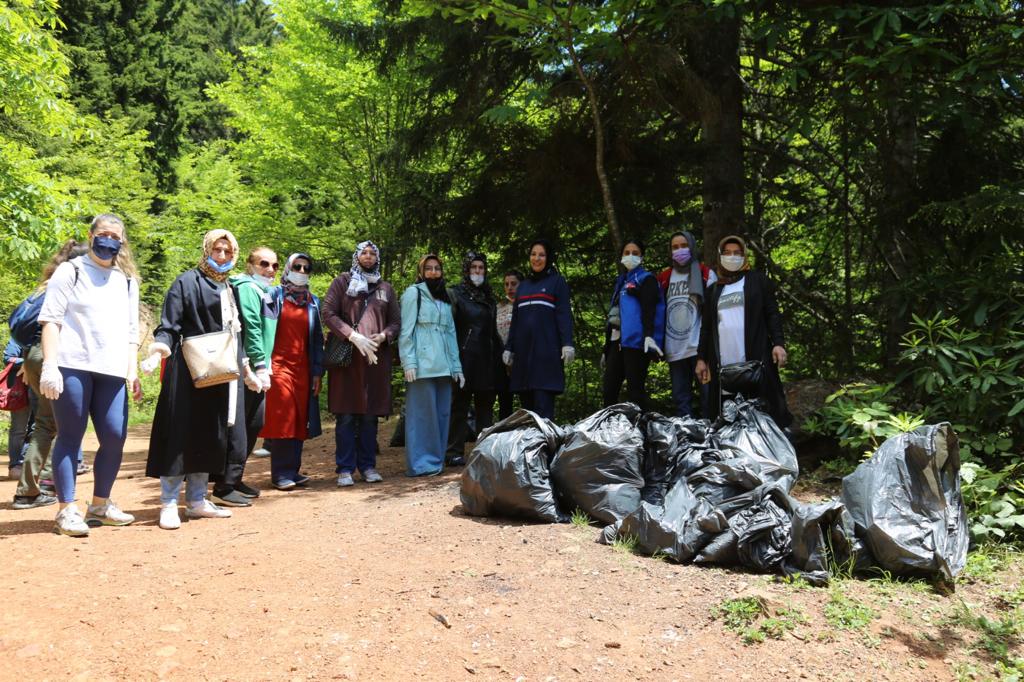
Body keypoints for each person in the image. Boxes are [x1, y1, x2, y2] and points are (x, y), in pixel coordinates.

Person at [37, 214, 142, 536]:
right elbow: (51, 319)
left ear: (122, 242)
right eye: (104, 233)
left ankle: (100, 504)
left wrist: (132, 370)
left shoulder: (125, 280)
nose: (109, 239)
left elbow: (130, 330)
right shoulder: (72, 270)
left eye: (115, 235)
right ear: (92, 235)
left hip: (111, 369)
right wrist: (50, 365)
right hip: (72, 365)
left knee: (113, 436)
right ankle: (66, 509)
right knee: (71, 434)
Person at [142, 229, 251, 530]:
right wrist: (158, 351)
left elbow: (236, 332)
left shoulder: (231, 287)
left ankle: (198, 500)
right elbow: (169, 325)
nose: (222, 256)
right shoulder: (185, 282)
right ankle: (168, 502)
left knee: (210, 434)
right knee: (180, 433)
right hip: (187, 370)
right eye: (217, 250)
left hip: (221, 372)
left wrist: (247, 368)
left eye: (228, 252)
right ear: (206, 250)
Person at [10, 240, 89, 509]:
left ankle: (36, 485)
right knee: (50, 424)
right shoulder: (73, 284)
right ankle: (31, 489)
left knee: (44, 421)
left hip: (32, 355)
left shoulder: (46, 284)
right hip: (49, 355)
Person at [323, 240, 400, 487]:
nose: (368, 256)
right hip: (348, 358)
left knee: (369, 416)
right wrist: (351, 335)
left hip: (375, 360)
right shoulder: (342, 282)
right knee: (346, 415)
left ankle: (367, 466)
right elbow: (328, 312)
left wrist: (384, 335)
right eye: (363, 253)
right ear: (356, 256)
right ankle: (345, 468)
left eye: (372, 253)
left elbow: (396, 322)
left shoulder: (385, 288)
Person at [696, 235, 793, 428]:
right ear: (720, 256)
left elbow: (772, 314)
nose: (732, 257)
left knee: (765, 414)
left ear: (745, 256)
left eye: (737, 253)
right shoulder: (714, 290)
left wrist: (778, 344)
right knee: (728, 419)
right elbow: (706, 328)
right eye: (727, 253)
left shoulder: (758, 281)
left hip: (756, 362)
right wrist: (701, 359)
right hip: (724, 368)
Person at [217, 247, 281, 504]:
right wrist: (260, 365)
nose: (270, 269)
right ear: (250, 265)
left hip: (259, 366)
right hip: (247, 367)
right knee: (240, 427)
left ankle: (235, 477)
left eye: (275, 265)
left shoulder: (265, 291)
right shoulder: (246, 288)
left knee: (254, 423)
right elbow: (252, 327)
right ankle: (223, 487)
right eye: (264, 264)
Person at [258, 253, 324, 489]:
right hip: (278, 365)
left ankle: (293, 471)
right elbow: (262, 328)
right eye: (298, 266)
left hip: (303, 369)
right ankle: (281, 474)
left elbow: (317, 340)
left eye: (307, 268)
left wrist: (318, 372)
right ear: (288, 268)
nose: (302, 271)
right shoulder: (274, 296)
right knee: (283, 418)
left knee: (300, 419)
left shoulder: (313, 301)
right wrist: (260, 364)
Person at [399, 254, 463, 477]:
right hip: (422, 366)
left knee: (442, 414)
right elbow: (406, 331)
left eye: (437, 268)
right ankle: (420, 464)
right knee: (421, 416)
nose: (434, 272)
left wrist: (457, 367)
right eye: (429, 268)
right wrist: (409, 362)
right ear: (421, 272)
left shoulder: (445, 298)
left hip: (443, 366)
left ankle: (435, 462)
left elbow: (451, 334)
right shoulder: (413, 294)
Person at [503, 239, 574, 420]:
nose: (537, 258)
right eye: (533, 254)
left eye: (541, 255)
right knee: (527, 414)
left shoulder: (557, 282)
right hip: (524, 358)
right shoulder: (523, 286)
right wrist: (509, 347)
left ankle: (546, 447)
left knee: (543, 411)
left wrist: (567, 343)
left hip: (546, 357)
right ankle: (531, 447)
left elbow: (564, 314)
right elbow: (516, 319)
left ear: (548, 257)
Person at [445, 252, 502, 466]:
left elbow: (492, 331)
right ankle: (453, 452)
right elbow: (449, 328)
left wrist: (503, 353)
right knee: (459, 404)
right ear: (467, 270)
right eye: (474, 268)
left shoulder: (489, 297)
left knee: (485, 407)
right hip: (464, 357)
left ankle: (483, 450)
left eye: (481, 268)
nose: (478, 272)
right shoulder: (456, 294)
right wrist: (452, 359)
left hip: (486, 360)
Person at [656, 231, 716, 417]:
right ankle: (687, 440)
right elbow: (657, 312)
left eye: (684, 246)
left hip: (699, 348)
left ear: (692, 247)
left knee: (709, 397)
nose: (680, 250)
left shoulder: (705, 273)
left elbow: (712, 312)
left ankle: (712, 440)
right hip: (674, 348)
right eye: (675, 247)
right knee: (681, 401)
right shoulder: (664, 277)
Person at [601, 239, 665, 409]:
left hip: (637, 342)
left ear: (642, 257)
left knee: (635, 391)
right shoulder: (621, 281)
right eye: (627, 253)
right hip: (617, 342)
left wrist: (650, 336)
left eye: (635, 253)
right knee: (609, 390)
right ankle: (609, 430)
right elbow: (614, 314)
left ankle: (640, 431)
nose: (630, 256)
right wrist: (606, 347)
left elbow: (649, 309)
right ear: (621, 256)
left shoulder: (646, 279)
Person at [494, 270, 521, 420]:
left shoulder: (526, 306)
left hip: (523, 361)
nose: (510, 287)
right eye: (506, 284)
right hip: (502, 361)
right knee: (505, 402)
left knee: (527, 400)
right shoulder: (498, 308)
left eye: (514, 284)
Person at [4, 338, 29, 480]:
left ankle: (27, 463)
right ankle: (15, 465)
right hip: (19, 391)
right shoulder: (19, 336)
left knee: (36, 428)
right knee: (18, 429)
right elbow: (8, 358)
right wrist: (30, 363)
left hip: (41, 389)